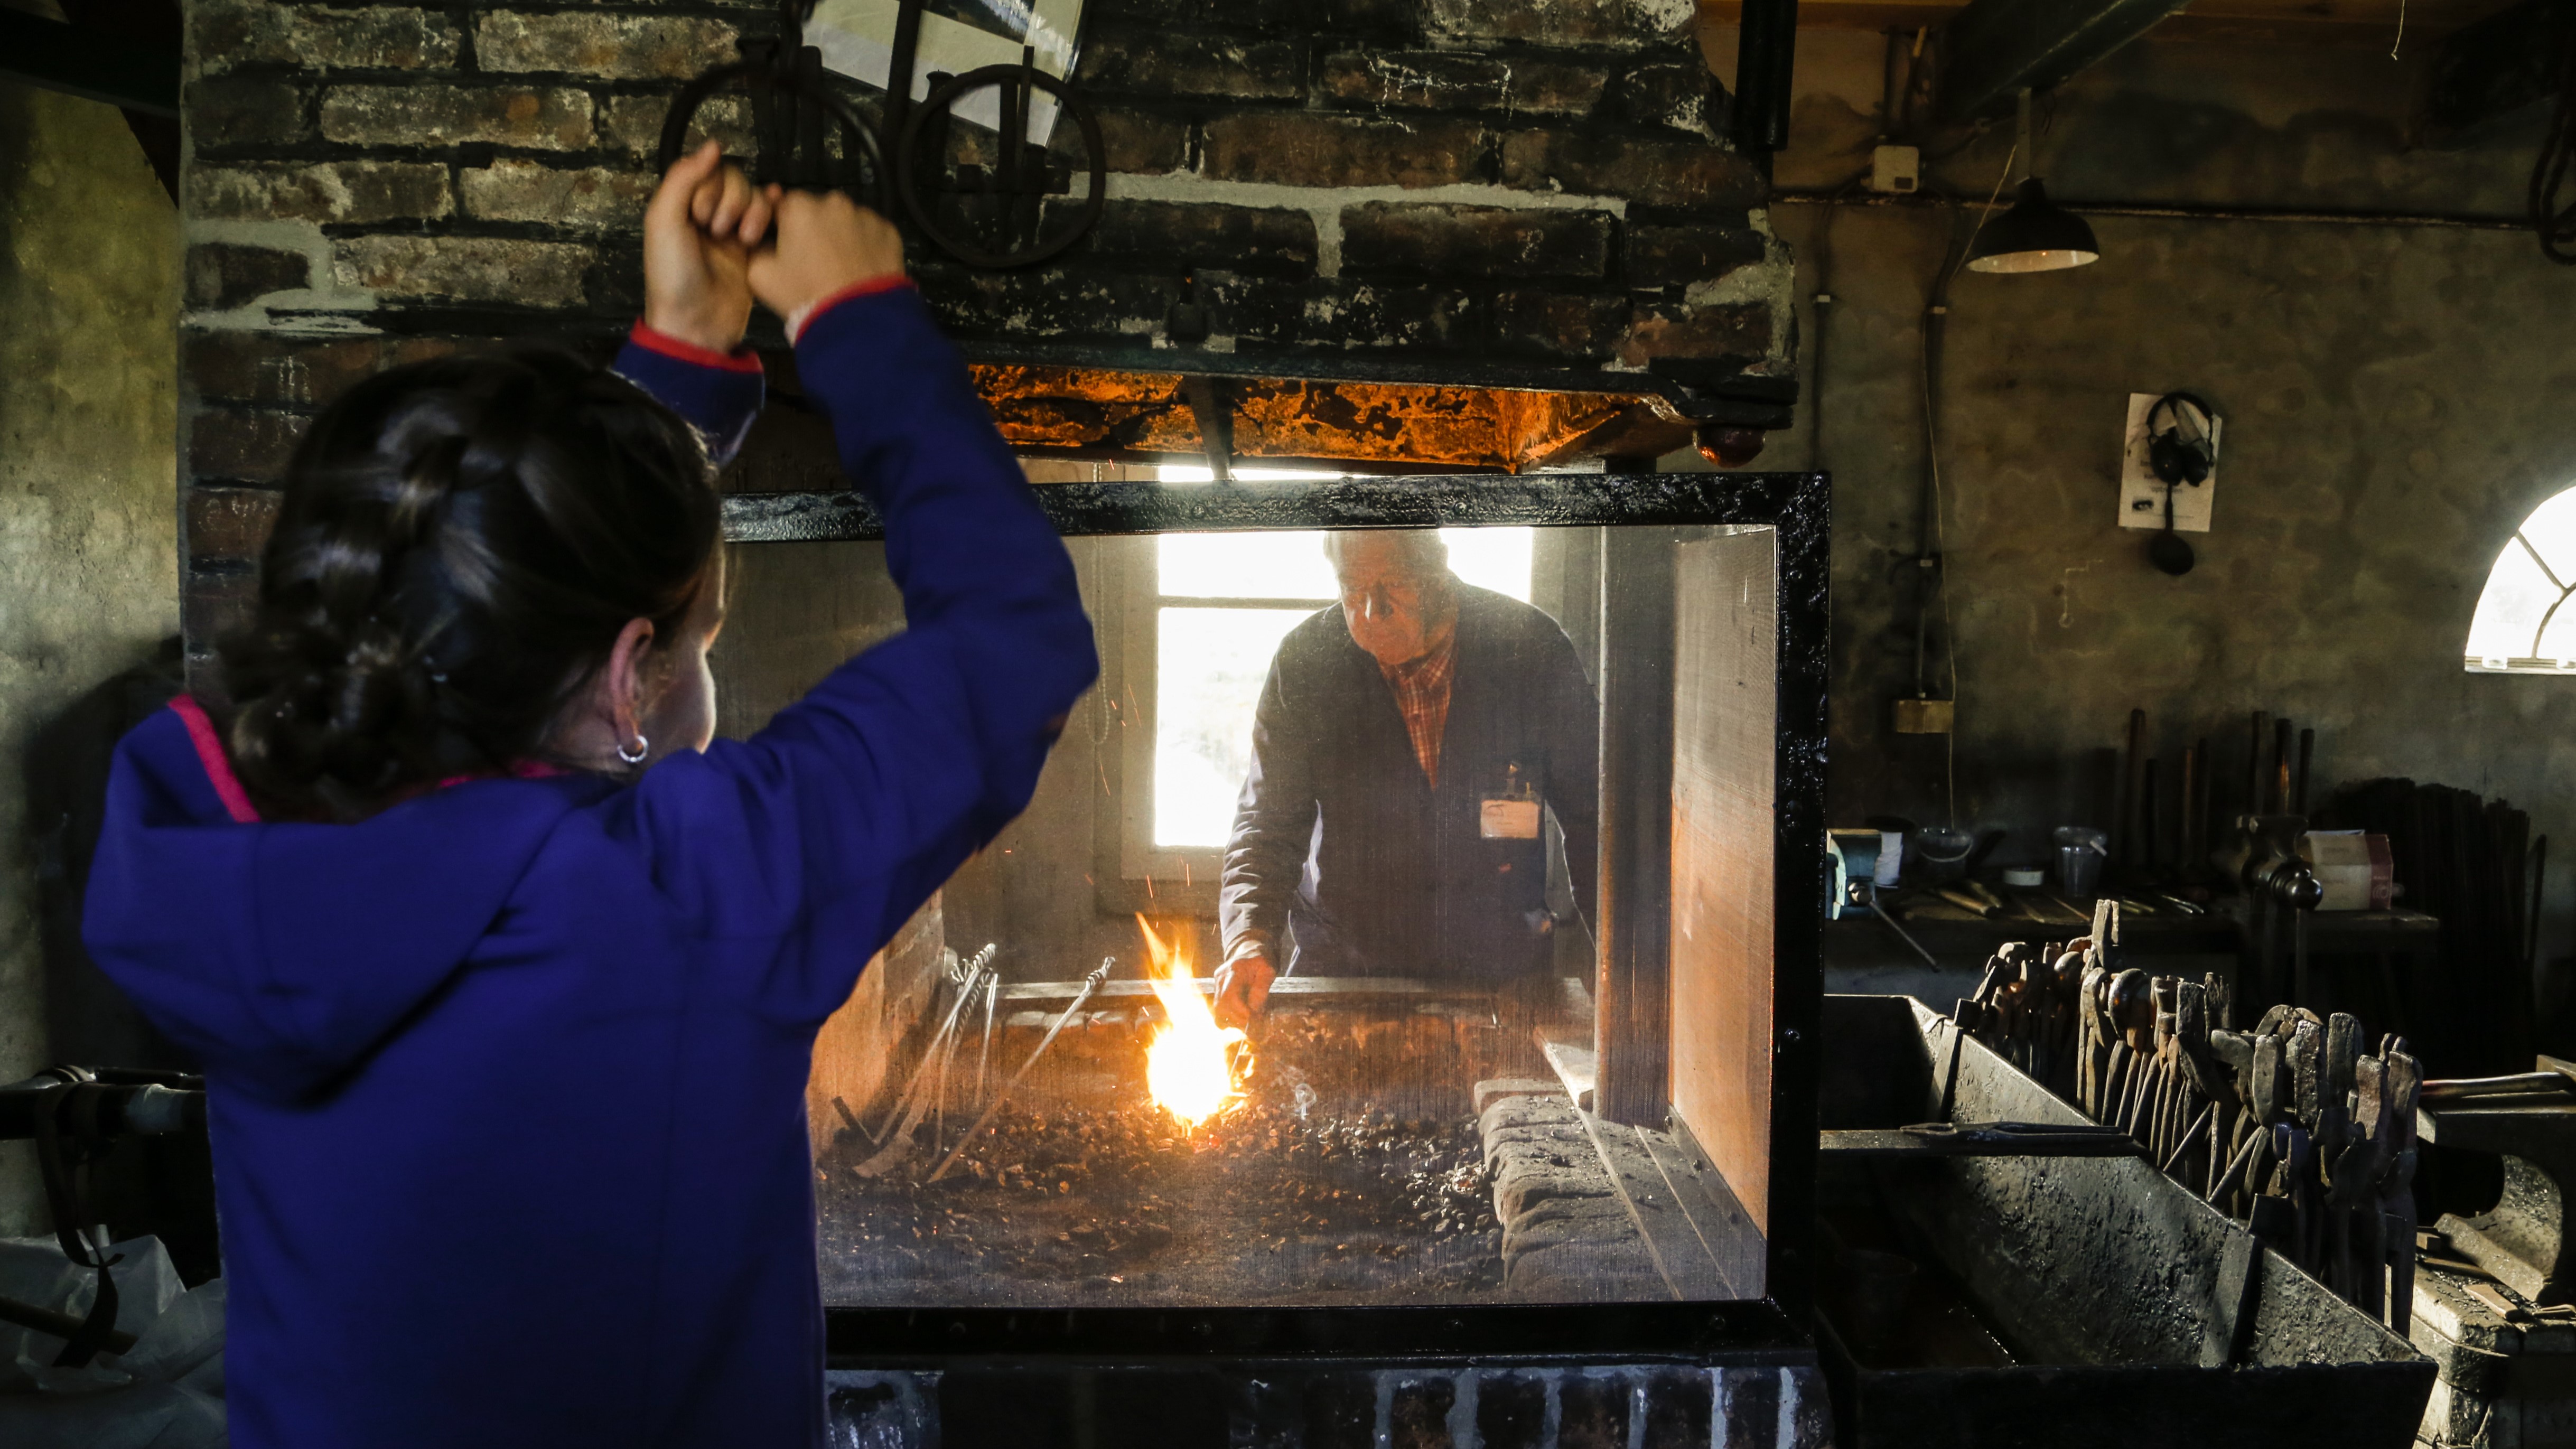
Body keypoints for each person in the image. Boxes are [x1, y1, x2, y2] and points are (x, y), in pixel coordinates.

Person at [80, 143, 1097, 1446]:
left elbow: (493, 570)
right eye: (702, 638)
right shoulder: (693, 891)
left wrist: (674, 374)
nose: (702, 662)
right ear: (630, 682)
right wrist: (858, 319)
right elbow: (1011, 638)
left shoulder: (230, 844)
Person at [1213, 530, 1597, 1027]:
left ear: (1437, 568)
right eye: (1353, 587)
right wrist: (1248, 935)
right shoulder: (1306, 663)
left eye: (1394, 583)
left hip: (1499, 980)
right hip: (1347, 972)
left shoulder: (1530, 648)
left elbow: (1597, 822)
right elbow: (1266, 825)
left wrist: (1630, 968)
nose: (1372, 612)